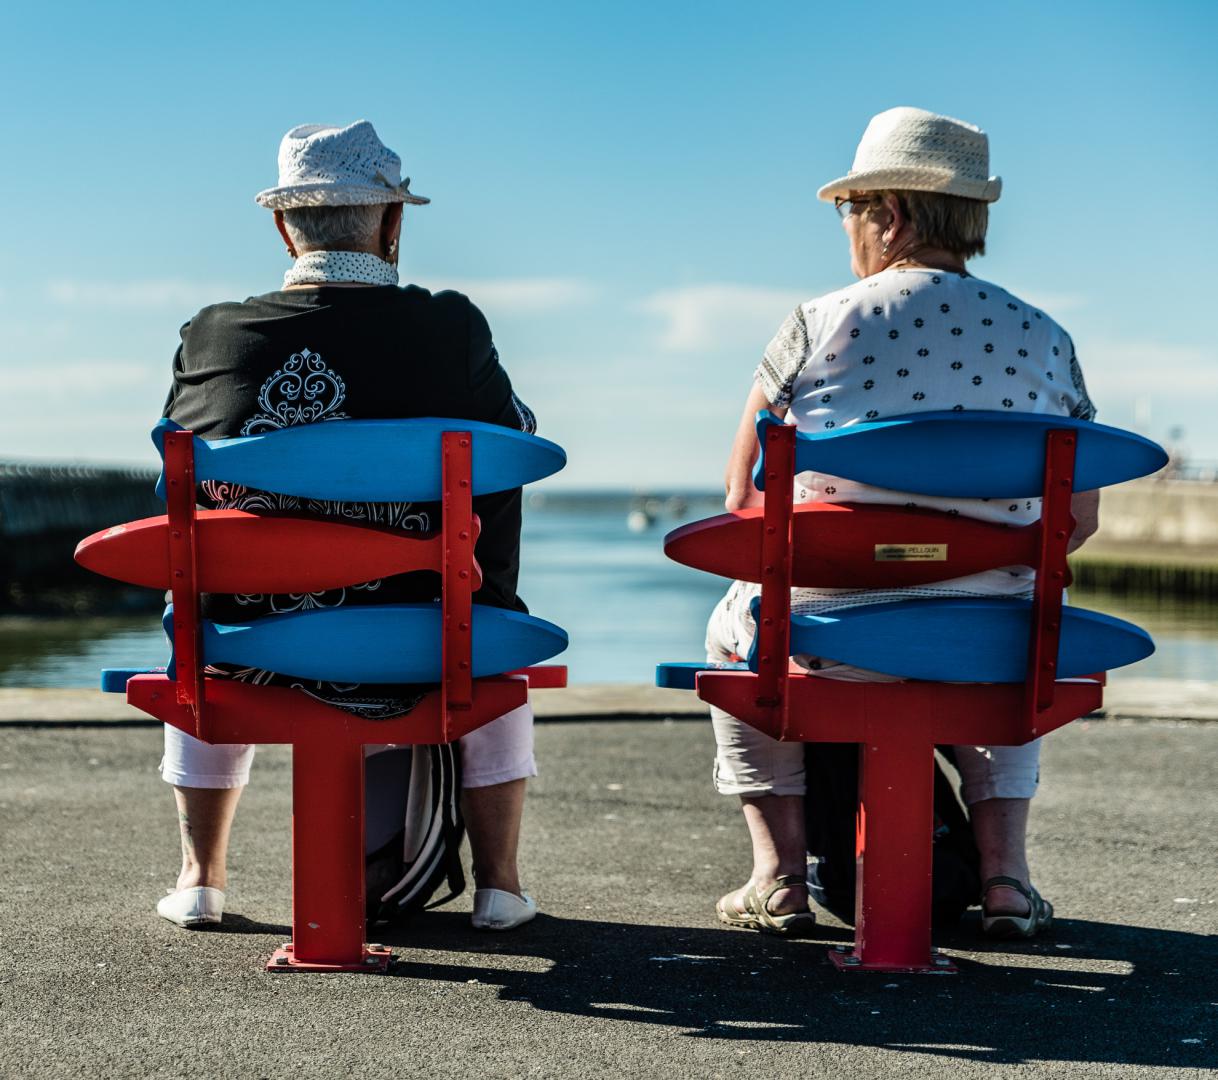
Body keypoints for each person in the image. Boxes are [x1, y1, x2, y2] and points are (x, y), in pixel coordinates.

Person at [707, 107, 1099, 939]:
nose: (846, 228)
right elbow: (1079, 519)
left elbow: (742, 496)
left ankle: (775, 877)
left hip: (826, 635)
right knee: (1018, 623)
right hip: (988, 645)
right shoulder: (1048, 338)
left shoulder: (817, 323)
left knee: (731, 630)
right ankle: (1006, 880)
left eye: (851, 210)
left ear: (891, 215)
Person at [156, 120, 539, 933]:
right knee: (491, 625)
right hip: (422, 641)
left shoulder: (211, 333)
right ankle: (499, 884)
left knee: (208, 608)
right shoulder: (450, 327)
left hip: (250, 650)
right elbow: (515, 447)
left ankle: (200, 876)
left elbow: (181, 472)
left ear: (282, 225)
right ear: (394, 224)